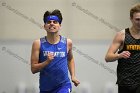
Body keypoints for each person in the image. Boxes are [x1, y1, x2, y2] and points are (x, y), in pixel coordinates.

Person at [30, 9, 80, 93]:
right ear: (44, 25)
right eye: (49, 22)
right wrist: (47, 62)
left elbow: (70, 59)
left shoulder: (67, 42)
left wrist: (73, 76)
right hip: (45, 88)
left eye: (55, 22)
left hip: (63, 85)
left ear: (60, 25)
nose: (52, 23)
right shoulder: (38, 44)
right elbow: (33, 69)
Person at [105, 3, 140, 93]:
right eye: (137, 19)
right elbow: (107, 57)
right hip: (125, 82)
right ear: (131, 19)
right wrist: (119, 55)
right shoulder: (122, 35)